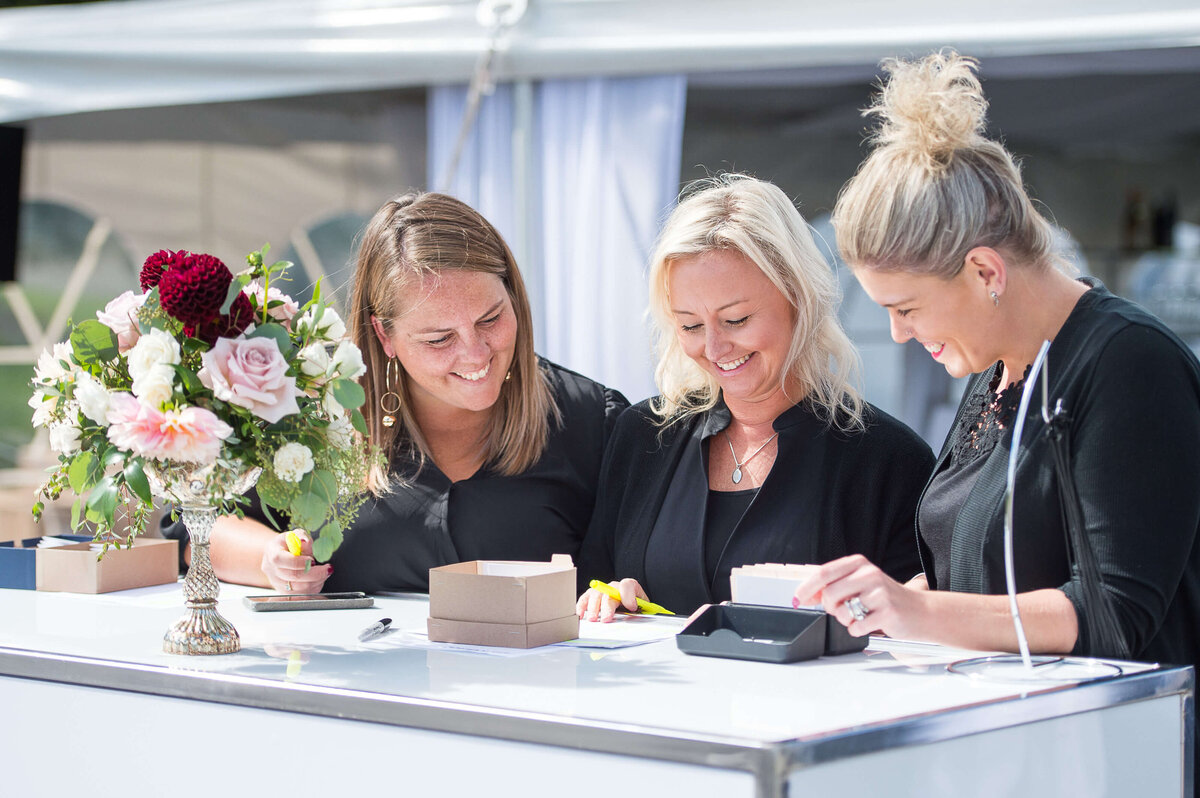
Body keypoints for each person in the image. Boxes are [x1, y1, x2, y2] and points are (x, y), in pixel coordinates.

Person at [797, 52, 1200, 677]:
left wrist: (915, 610)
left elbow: (1114, 613)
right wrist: (867, 611)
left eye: (906, 308)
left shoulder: (1129, 363)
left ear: (985, 271)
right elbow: (978, 583)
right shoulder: (998, 367)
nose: (900, 334)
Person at [164, 192, 627, 593]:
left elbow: (638, 579)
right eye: (438, 339)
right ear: (383, 335)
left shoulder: (592, 422)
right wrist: (270, 558)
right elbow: (195, 524)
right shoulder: (315, 411)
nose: (475, 354)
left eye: (490, 319)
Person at [576, 174, 934, 621]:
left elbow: (918, 630)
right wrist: (609, 599)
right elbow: (592, 585)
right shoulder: (643, 436)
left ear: (797, 298)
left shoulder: (889, 460)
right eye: (689, 325)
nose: (713, 348)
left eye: (737, 319)